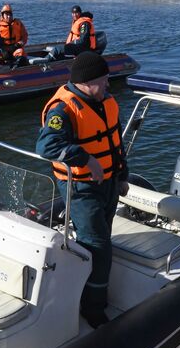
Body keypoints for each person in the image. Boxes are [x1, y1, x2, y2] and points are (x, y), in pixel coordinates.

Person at [36, 51, 128, 328]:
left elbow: (115, 143)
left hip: (109, 184)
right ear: (87, 82)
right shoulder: (62, 110)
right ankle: (93, 308)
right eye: (104, 80)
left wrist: (123, 175)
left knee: (103, 238)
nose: (108, 85)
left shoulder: (106, 102)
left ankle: (94, 291)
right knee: (98, 246)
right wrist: (86, 159)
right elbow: (45, 147)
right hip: (81, 188)